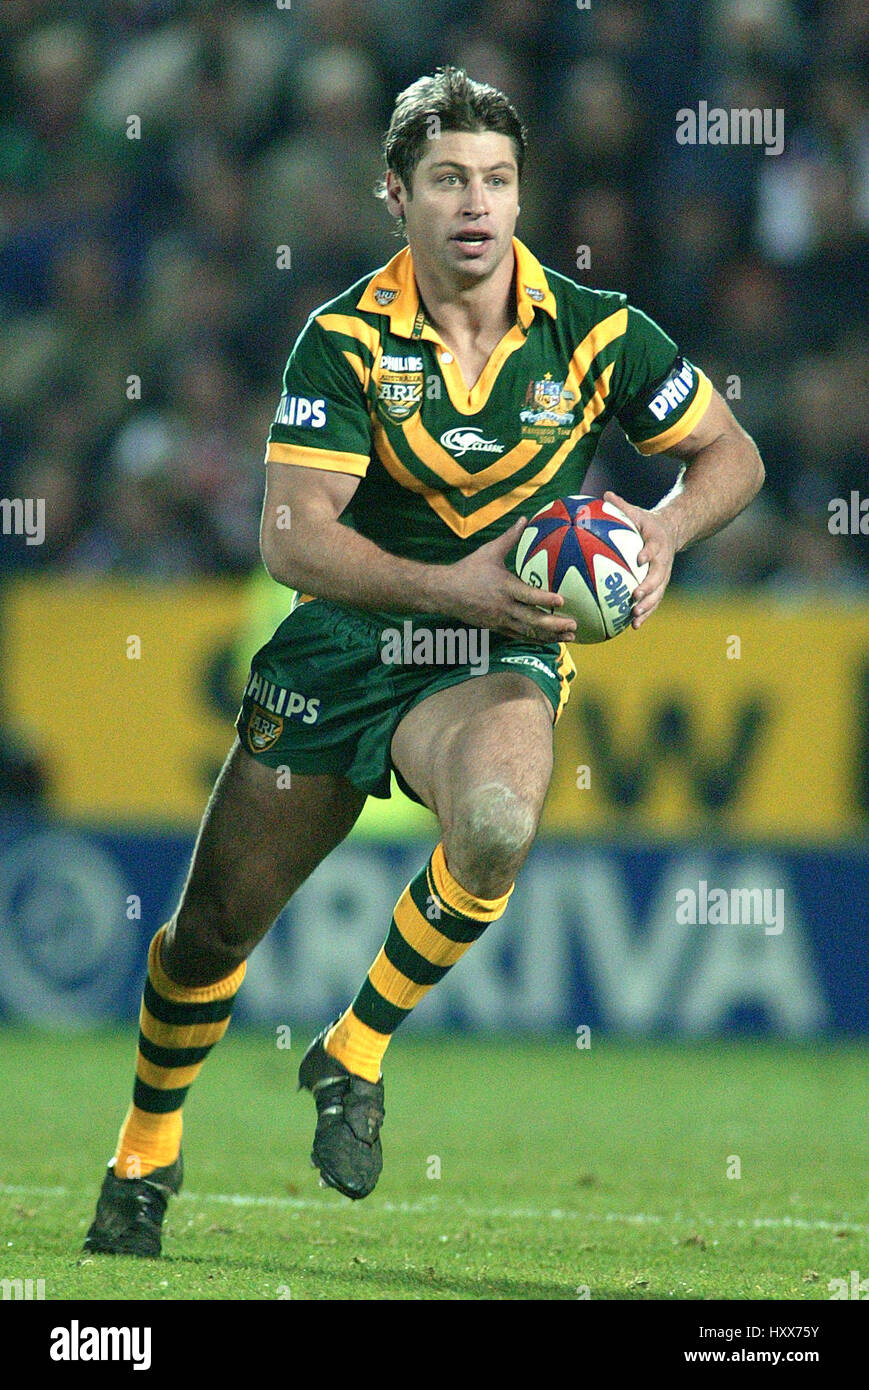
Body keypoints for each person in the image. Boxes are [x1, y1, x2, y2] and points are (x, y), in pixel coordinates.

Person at [84, 68, 764, 1256]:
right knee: (212, 931)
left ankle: (352, 1050)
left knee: (497, 825)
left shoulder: (599, 331)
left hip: (491, 650)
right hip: (349, 644)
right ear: (395, 194)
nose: (475, 204)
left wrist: (658, 531)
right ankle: (143, 1153)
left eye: (496, 180)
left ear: (519, 194)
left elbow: (730, 454)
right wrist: (451, 583)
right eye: (448, 179)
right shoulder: (343, 339)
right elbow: (292, 537)